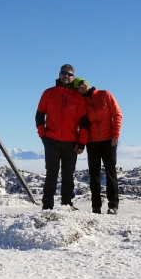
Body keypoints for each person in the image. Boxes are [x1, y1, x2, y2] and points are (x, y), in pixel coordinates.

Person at [35, 64, 88, 210]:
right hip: (51, 140)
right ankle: (47, 206)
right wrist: (43, 136)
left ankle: (67, 204)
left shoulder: (78, 97)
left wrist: (81, 142)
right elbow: (39, 115)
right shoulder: (48, 93)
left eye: (70, 74)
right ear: (59, 74)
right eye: (64, 73)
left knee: (68, 175)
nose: (66, 76)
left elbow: (84, 122)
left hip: (71, 142)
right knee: (51, 173)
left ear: (73, 77)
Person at [72, 77, 122, 214]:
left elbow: (117, 115)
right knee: (94, 175)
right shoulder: (82, 102)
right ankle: (96, 206)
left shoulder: (104, 94)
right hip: (92, 142)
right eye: (78, 87)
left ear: (87, 83)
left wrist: (115, 134)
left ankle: (113, 205)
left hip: (108, 140)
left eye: (82, 83)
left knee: (110, 172)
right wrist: (80, 142)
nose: (81, 87)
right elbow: (80, 124)